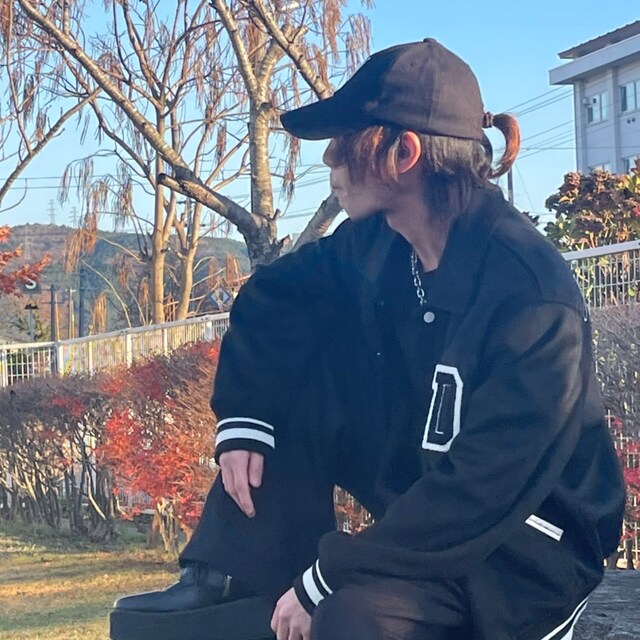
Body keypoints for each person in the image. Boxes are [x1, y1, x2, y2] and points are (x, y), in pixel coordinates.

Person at [112, 39, 625, 640]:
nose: (329, 159)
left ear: (404, 153)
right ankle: (234, 573)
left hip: (524, 549)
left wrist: (330, 574)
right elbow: (276, 294)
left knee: (351, 617)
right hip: (422, 512)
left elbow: (486, 486)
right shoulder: (381, 243)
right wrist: (245, 419)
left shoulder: (530, 294)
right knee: (299, 371)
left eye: (344, 141)